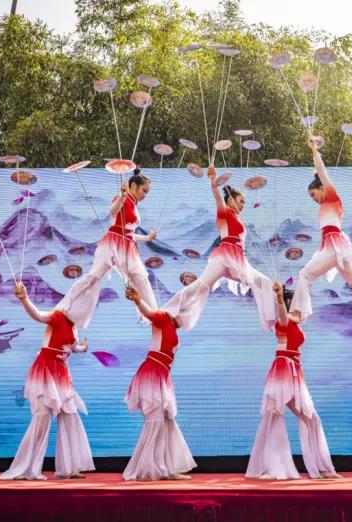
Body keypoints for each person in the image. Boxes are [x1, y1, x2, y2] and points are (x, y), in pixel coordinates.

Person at [0, 282, 95, 480]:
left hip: (62, 376)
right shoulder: (58, 316)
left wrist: (83, 348)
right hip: (45, 373)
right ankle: (25, 469)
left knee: (70, 416)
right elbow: (38, 316)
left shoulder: (73, 327)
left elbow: (71, 347)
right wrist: (24, 298)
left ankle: (69, 468)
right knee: (41, 419)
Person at [163, 166, 276, 332]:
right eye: (241, 201)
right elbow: (217, 197)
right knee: (201, 286)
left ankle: (271, 323)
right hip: (224, 257)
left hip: (239, 260)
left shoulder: (237, 218)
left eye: (244, 202)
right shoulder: (225, 212)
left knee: (264, 282)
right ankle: (169, 313)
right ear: (230, 201)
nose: (243, 205)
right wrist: (213, 181)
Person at [246, 282, 340, 480]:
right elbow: (282, 314)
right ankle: (271, 467)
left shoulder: (295, 324)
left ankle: (321, 467)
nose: (302, 307)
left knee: (311, 418)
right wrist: (280, 298)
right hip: (283, 371)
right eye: (298, 303)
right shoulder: (284, 321)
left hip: (294, 372)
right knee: (274, 418)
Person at [289, 136, 352, 322]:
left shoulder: (331, 196)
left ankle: (298, 312)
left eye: (313, 194)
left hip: (334, 246)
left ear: (323, 188)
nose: (313, 198)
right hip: (338, 247)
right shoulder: (325, 204)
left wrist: (314, 151)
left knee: (305, 275)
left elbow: (322, 172)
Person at [57, 168, 158, 328]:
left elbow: (128, 233)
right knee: (133, 278)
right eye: (144, 190)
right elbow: (112, 211)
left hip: (122, 243)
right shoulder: (123, 198)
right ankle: (154, 316)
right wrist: (122, 196)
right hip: (115, 244)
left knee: (134, 278)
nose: (145, 195)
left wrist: (147, 238)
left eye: (147, 192)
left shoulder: (133, 203)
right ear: (133, 186)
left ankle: (153, 316)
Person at [122, 286, 196, 481]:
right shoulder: (163, 318)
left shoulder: (171, 326)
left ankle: (168, 468)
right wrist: (138, 300)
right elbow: (149, 313)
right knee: (154, 421)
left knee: (166, 422)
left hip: (162, 376)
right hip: (152, 375)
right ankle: (146, 469)